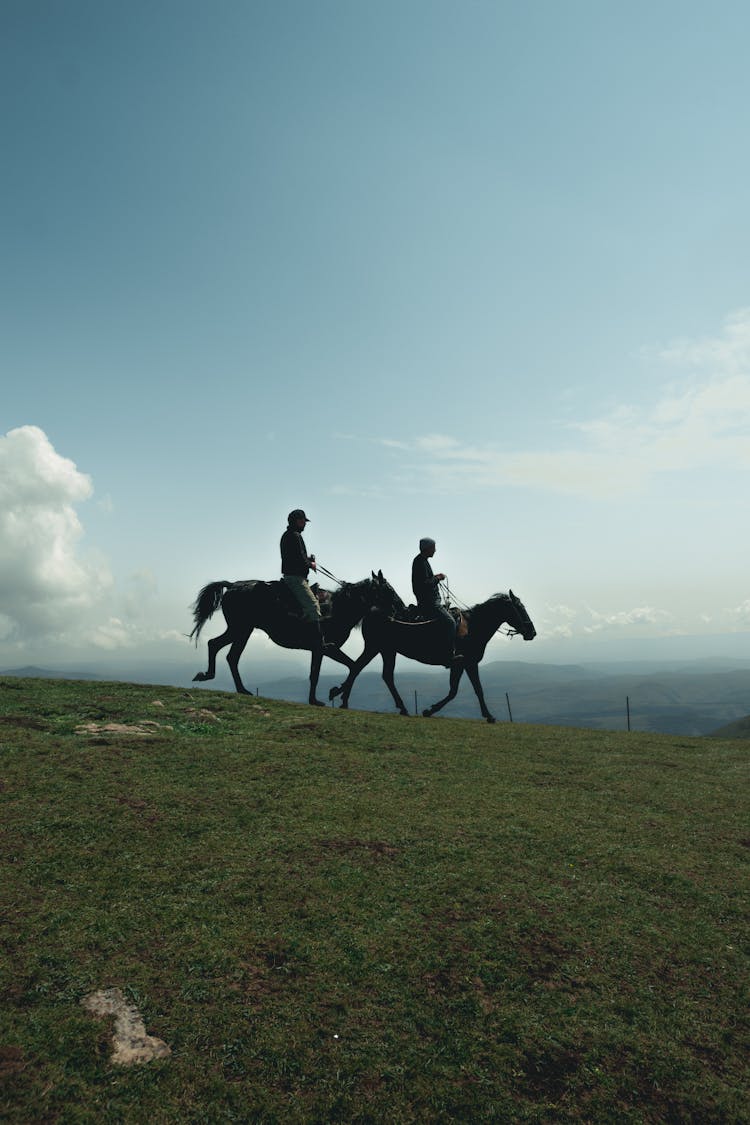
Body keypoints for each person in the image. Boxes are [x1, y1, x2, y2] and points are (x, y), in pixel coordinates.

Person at [280, 509, 332, 653]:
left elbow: (296, 556)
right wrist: (310, 563)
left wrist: (308, 560)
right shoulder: (294, 536)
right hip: (295, 579)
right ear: (297, 521)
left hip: (294, 576)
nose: (305, 524)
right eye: (303, 521)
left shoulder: (290, 535)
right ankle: (317, 642)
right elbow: (299, 559)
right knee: (313, 606)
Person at [411, 537, 460, 662]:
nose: (435, 550)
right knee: (450, 623)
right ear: (427, 548)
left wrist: (435, 578)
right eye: (433, 547)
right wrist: (437, 578)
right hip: (429, 603)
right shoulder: (420, 562)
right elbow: (423, 584)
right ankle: (448, 655)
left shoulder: (422, 561)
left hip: (431, 601)